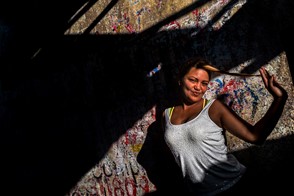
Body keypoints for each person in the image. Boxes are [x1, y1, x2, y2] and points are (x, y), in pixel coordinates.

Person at [160, 57, 288, 195]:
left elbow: (256, 136)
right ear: (180, 80)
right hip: (199, 193)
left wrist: (280, 99)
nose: (198, 87)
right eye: (193, 80)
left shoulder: (214, 108)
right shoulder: (166, 115)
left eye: (204, 83)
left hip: (234, 186)